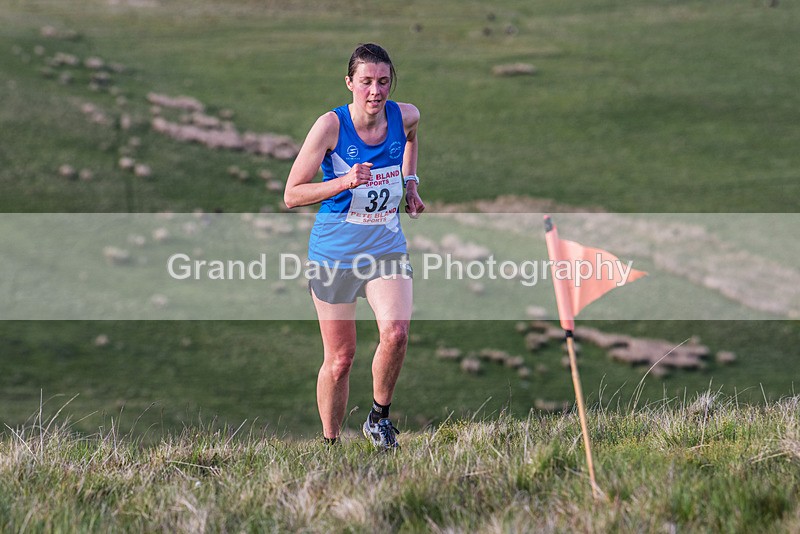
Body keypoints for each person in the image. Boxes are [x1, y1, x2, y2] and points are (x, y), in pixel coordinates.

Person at [284, 43, 425, 450]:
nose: (375, 91)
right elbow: (292, 194)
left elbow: (412, 138)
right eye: (366, 82)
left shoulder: (406, 115)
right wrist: (345, 181)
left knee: (396, 333)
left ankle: (378, 419)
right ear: (350, 83)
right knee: (340, 360)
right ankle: (330, 445)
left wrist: (411, 183)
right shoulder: (330, 127)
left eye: (383, 82)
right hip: (335, 255)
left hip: (385, 247)